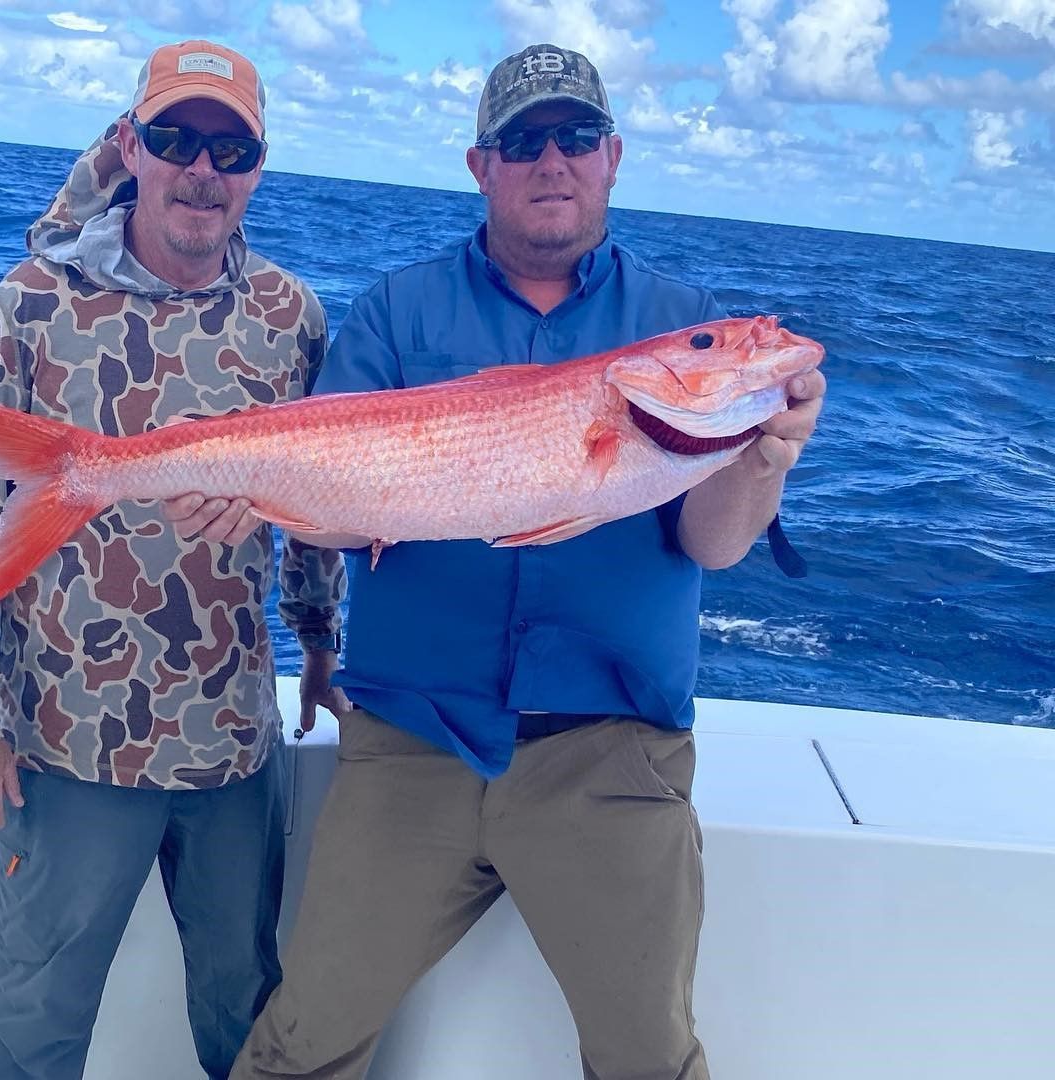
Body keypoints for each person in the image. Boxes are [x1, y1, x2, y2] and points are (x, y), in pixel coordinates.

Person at [232, 43, 826, 1080]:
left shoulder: (679, 325)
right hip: (412, 740)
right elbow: (327, 519)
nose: (553, 159)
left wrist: (764, 456)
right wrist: (260, 488)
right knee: (301, 1043)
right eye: (524, 140)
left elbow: (713, 544)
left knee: (651, 1059)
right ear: (482, 166)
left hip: (614, 752)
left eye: (577, 136)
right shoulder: (397, 311)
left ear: (613, 158)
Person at [0, 39, 348, 1080]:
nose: (204, 168)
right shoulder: (33, 301)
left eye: (231, 148)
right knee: (33, 1011)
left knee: (248, 1003)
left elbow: (316, 497)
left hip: (233, 741)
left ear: (258, 168)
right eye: (176, 138)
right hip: (68, 741)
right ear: (129, 148)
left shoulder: (292, 317)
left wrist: (322, 646)